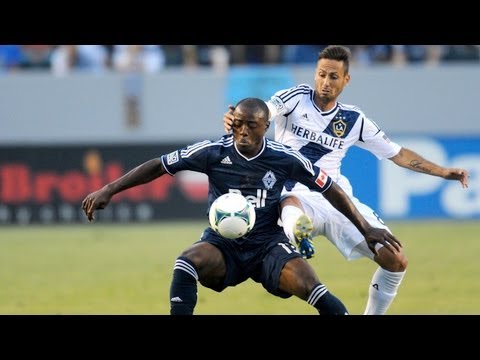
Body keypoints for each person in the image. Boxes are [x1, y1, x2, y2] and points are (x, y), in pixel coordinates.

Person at [82, 97, 401, 315]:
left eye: (251, 125)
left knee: (313, 288)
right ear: (231, 122)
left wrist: (366, 226)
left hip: (269, 244)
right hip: (223, 245)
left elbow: (330, 189)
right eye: (238, 124)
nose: (243, 131)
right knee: (186, 262)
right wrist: (110, 189)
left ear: (265, 126)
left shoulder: (284, 158)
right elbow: (159, 165)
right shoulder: (212, 152)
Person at [223, 45, 470, 315]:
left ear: (346, 80)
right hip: (296, 195)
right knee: (289, 201)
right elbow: (265, 111)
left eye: (333, 76)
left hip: (336, 199)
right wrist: (240, 118)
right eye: (321, 75)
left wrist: (444, 172)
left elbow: (398, 154)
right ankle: (298, 233)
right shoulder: (294, 98)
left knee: (395, 259)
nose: (325, 82)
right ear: (314, 75)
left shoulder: (354, 120)